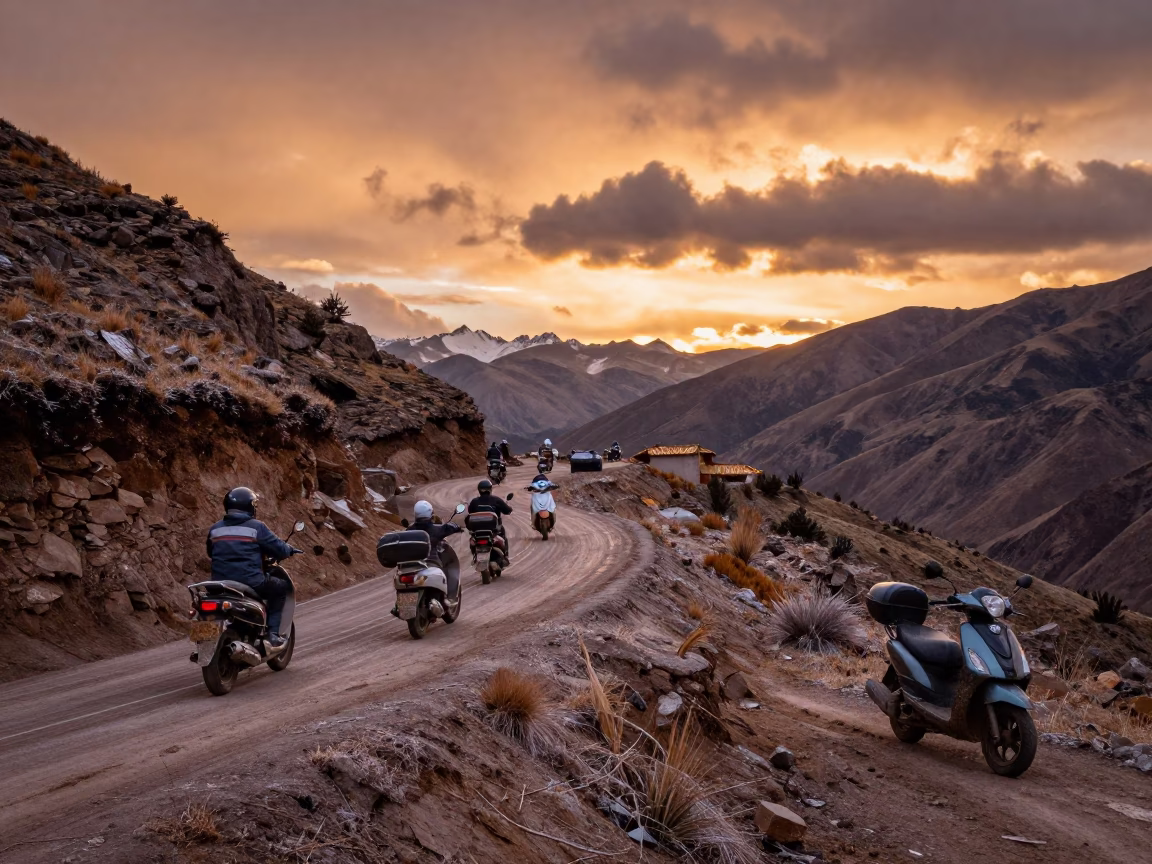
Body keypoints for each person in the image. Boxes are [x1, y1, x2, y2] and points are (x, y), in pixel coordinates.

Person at [206, 487, 300, 647]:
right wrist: (289, 549)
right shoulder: (256, 527)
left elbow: (210, 552)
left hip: (219, 584)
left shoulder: (215, 529)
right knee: (279, 588)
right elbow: (279, 548)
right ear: (250, 506)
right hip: (250, 581)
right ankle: (272, 634)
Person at [410, 500, 463, 597]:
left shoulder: (409, 530)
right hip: (431, 562)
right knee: (446, 567)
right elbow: (451, 527)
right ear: (431, 514)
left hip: (412, 565)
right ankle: (446, 596)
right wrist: (457, 527)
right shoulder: (437, 529)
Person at [468, 478, 513, 559]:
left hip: (477, 531)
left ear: (479, 490)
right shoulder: (496, 500)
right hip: (493, 530)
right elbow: (507, 511)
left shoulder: (474, 502)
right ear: (490, 489)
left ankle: (475, 556)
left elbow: (469, 513)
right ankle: (505, 555)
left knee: (472, 540)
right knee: (503, 533)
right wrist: (509, 508)